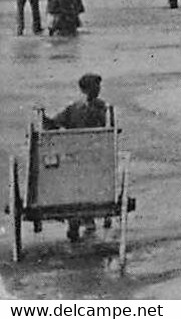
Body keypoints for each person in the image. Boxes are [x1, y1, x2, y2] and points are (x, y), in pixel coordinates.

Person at [42, 73, 110, 242]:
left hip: (80, 157)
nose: (98, 89)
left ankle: (79, 220)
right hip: (91, 157)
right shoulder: (96, 107)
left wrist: (47, 122)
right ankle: (84, 219)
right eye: (96, 86)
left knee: (78, 183)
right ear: (87, 89)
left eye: (98, 86)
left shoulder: (79, 108)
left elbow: (53, 124)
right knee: (87, 183)